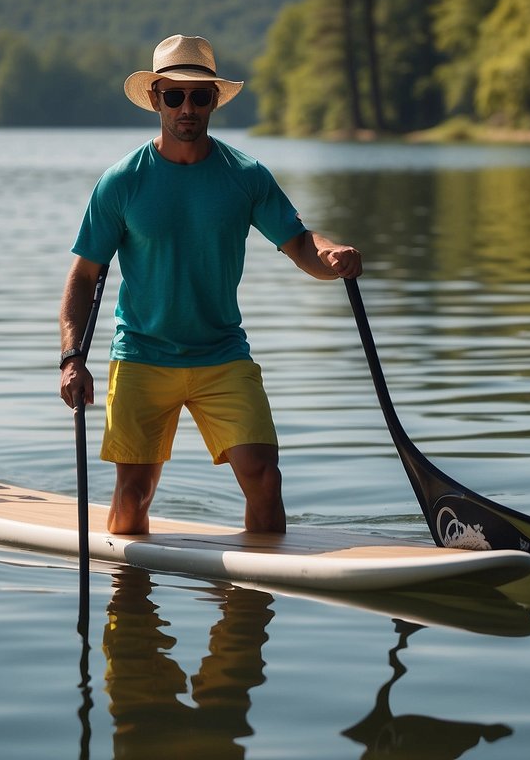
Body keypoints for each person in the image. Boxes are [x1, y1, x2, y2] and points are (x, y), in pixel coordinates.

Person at [58, 34, 362, 535]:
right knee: (133, 498)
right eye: (174, 95)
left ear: (215, 100)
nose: (187, 107)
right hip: (141, 356)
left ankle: (251, 598)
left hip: (222, 355)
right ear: (156, 99)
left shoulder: (245, 176)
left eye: (200, 96)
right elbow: (83, 278)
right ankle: (131, 601)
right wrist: (72, 360)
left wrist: (332, 256)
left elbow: (302, 244)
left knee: (264, 479)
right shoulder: (121, 182)